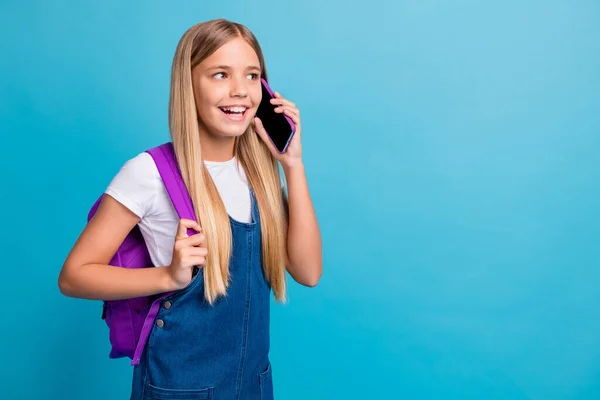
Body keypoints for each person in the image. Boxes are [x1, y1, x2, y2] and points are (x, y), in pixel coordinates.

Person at [58, 18, 322, 400]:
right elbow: (73, 276)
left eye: (252, 76)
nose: (240, 92)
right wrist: (167, 276)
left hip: (252, 386)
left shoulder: (259, 174)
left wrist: (292, 165)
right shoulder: (149, 173)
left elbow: (309, 272)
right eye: (219, 74)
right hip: (179, 389)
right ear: (189, 83)